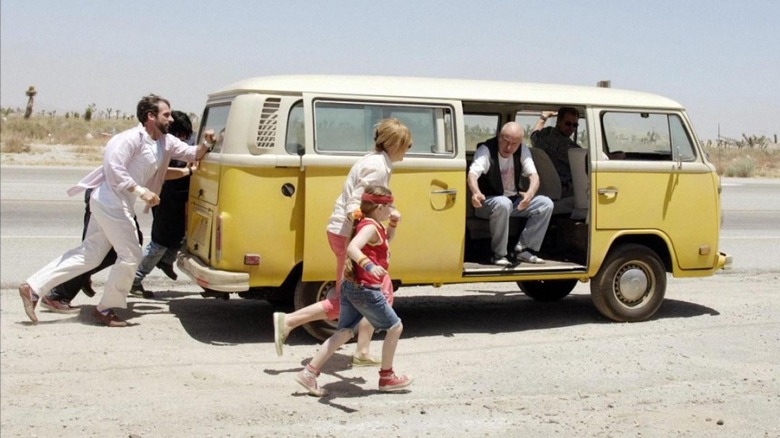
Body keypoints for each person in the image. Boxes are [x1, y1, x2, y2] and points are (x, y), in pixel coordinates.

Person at [18, 94, 213, 327]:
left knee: (90, 254)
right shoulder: (128, 139)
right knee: (131, 254)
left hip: (119, 203)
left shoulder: (165, 141)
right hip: (110, 200)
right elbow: (114, 169)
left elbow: (193, 154)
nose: (170, 119)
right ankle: (106, 308)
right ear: (151, 116)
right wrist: (142, 191)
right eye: (166, 115)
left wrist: (208, 143)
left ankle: (33, 287)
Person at [273, 118, 412, 364]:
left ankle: (362, 350)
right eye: (406, 143)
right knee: (367, 295)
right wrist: (362, 229)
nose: (409, 147)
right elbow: (359, 200)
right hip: (347, 234)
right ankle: (292, 322)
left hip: (343, 232)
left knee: (366, 295)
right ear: (394, 144)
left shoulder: (376, 161)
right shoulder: (378, 166)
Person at [294, 185, 412, 397]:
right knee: (395, 327)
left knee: (345, 332)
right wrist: (368, 265)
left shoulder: (372, 224)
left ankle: (309, 374)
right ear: (378, 207)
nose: (392, 209)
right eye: (389, 206)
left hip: (351, 286)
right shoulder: (369, 227)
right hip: (366, 289)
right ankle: (387, 377)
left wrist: (393, 223)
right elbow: (352, 248)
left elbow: (384, 241)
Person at [38, 188, 143, 314]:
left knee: (114, 249)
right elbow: (117, 171)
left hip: (115, 198)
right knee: (103, 250)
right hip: (108, 198)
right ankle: (58, 293)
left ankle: (77, 279)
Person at [131, 110, 197, 299]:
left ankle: (166, 262)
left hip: (173, 201)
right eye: (182, 134)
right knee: (160, 242)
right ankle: (134, 280)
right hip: (166, 200)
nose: (185, 138)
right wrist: (187, 170)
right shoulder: (168, 148)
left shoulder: (174, 145)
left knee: (179, 236)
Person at [467, 121, 553, 266]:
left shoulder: (522, 150)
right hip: (487, 202)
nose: (509, 147)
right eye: (505, 141)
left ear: (520, 142)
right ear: (499, 137)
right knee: (503, 203)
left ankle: (523, 249)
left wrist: (529, 195)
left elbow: (534, 176)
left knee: (545, 204)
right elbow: (472, 174)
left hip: (512, 201)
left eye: (514, 143)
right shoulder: (486, 149)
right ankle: (498, 254)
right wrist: (475, 193)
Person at [531, 107, 582, 197]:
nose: (571, 128)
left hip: (542, 186)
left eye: (575, 125)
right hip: (563, 189)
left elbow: (533, 135)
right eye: (568, 124)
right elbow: (586, 160)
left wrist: (543, 117)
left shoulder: (545, 134)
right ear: (558, 121)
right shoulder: (570, 148)